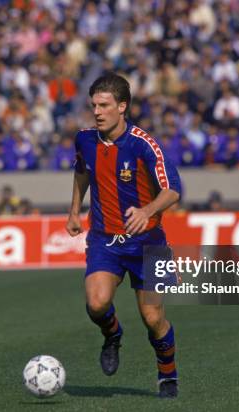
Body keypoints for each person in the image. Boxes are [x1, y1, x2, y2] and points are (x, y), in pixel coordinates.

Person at [66, 73, 182, 398]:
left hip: (149, 242)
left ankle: (167, 373)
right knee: (97, 303)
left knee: (153, 317)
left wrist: (146, 211)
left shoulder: (144, 144)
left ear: (122, 106)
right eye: (94, 106)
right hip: (105, 238)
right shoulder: (85, 139)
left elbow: (174, 190)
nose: (97, 112)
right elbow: (81, 171)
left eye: (104, 105)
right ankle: (113, 335)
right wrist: (75, 210)